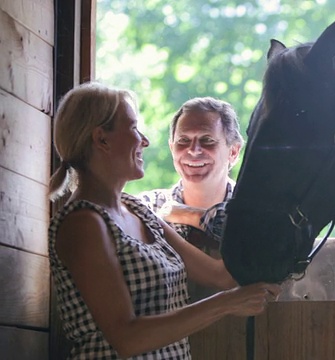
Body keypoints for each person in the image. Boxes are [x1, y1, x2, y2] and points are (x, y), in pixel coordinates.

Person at [48, 82, 280, 359]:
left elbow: (221, 275)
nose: (144, 140)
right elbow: (127, 338)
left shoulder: (137, 210)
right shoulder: (83, 224)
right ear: (102, 140)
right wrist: (226, 304)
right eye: (133, 128)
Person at [137, 96, 243, 301]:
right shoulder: (148, 206)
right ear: (171, 148)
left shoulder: (256, 209)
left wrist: (190, 215)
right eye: (183, 141)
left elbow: (264, 230)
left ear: (233, 151)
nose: (193, 151)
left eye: (207, 140)